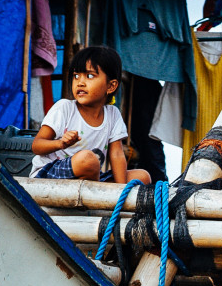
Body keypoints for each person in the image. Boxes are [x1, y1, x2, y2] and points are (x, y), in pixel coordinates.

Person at [30, 46, 151, 185]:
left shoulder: (113, 114)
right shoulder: (64, 108)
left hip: (90, 177)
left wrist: (121, 190)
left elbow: (117, 154)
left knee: (142, 176)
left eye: (89, 76)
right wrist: (60, 143)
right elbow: (36, 145)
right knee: (88, 159)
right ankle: (95, 197)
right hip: (49, 175)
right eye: (76, 76)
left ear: (111, 86)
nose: (80, 82)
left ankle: (101, 196)